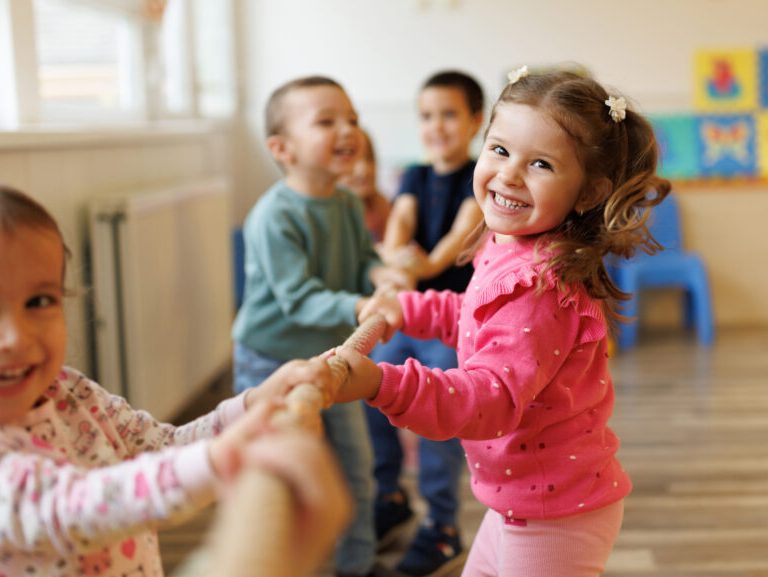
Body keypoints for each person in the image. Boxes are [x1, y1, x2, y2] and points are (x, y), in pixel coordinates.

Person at [0, 176, 353, 577]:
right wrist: (219, 462)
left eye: (38, 300)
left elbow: (162, 447)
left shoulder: (69, 392)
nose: (15, 337)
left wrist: (252, 405)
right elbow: (64, 508)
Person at [335, 68, 672, 577]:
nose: (509, 175)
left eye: (539, 163)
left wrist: (383, 383)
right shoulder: (512, 244)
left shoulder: (540, 286)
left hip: (555, 515)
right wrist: (407, 309)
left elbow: (488, 399)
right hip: (523, 499)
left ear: (587, 192)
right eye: (498, 150)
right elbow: (476, 317)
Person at [230, 76, 410, 577]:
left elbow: (362, 262)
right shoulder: (272, 216)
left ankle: (357, 565)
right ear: (282, 148)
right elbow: (299, 299)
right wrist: (360, 306)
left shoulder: (349, 203)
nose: (347, 130)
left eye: (351, 118)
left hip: (333, 361)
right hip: (269, 361)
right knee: (278, 474)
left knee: (356, 469)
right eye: (326, 121)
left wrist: (381, 273)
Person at [366, 70, 485, 577]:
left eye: (450, 114)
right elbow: (401, 221)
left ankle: (442, 525)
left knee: (439, 417)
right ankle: (390, 494)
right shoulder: (413, 175)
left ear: (476, 121)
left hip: (453, 323)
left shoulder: (482, 175)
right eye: (427, 115)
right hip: (410, 314)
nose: (437, 125)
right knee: (370, 384)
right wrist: (395, 256)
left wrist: (419, 265)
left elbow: (456, 241)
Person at [340, 130, 391, 244]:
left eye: (369, 158)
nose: (363, 170)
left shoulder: (381, 205)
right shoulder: (335, 211)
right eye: (353, 160)